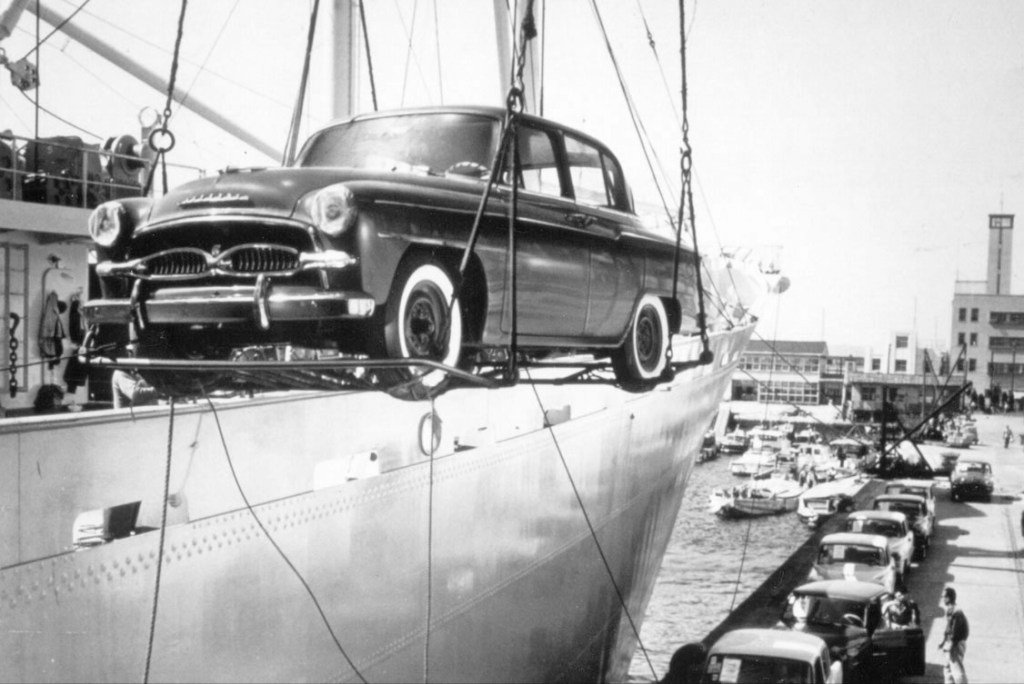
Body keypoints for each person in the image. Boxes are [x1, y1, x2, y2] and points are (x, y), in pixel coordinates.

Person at [937, 586, 969, 684]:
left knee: (957, 670)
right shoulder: (950, 611)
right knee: (947, 669)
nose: (942, 599)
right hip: (950, 643)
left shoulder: (956, 612)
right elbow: (948, 628)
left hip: (955, 644)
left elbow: (955, 631)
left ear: (949, 598)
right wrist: (943, 642)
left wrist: (951, 644)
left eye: (944, 597)